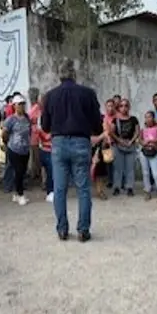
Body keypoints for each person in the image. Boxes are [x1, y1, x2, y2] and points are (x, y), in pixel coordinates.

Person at [40, 59, 103, 242]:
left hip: (58, 143)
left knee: (59, 189)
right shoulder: (87, 93)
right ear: (74, 74)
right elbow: (97, 125)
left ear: (59, 75)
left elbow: (45, 126)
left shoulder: (50, 96)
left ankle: (62, 229)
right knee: (83, 189)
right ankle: (83, 230)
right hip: (81, 142)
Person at [2, 94, 32, 206]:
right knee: (18, 171)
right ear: (14, 106)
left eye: (23, 104)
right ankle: (20, 194)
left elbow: (29, 131)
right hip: (14, 149)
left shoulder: (26, 118)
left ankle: (16, 193)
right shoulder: (10, 120)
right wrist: (7, 142)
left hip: (25, 149)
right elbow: (4, 133)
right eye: (19, 104)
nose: (22, 107)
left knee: (22, 171)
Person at [110, 99, 139, 196]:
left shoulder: (133, 119)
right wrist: (120, 140)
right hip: (118, 146)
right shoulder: (116, 120)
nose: (124, 108)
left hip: (131, 146)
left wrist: (131, 141)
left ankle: (129, 187)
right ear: (119, 108)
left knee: (130, 168)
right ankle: (117, 187)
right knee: (117, 168)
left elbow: (137, 131)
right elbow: (111, 132)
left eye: (126, 105)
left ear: (129, 107)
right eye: (121, 106)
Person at [139, 110, 157, 201]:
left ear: (153, 118)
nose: (147, 119)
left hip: (155, 152)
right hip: (144, 152)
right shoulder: (143, 129)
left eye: (149, 116)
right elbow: (140, 139)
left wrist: (150, 141)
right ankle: (147, 191)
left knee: (156, 174)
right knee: (145, 173)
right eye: (146, 117)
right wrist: (144, 143)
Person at [35, 115, 54, 202]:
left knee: (52, 172)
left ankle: (52, 190)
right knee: (50, 172)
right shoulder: (41, 130)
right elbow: (46, 138)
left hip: (52, 152)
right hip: (46, 151)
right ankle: (50, 191)